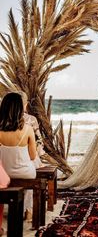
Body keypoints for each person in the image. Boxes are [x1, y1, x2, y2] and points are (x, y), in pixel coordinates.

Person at [0, 92, 37, 220]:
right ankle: (28, 210)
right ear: (21, 109)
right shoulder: (28, 129)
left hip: (3, 174)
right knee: (33, 165)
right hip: (24, 172)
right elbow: (32, 156)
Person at [18, 91, 45, 168]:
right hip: (28, 159)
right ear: (25, 104)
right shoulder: (32, 119)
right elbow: (40, 140)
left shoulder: (3, 122)